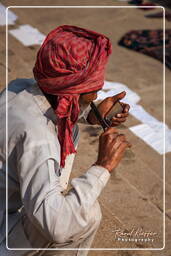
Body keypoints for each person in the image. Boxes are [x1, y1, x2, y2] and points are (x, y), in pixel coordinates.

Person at [0, 25, 130, 256]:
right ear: (73, 90)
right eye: (93, 88)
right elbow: (56, 227)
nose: (97, 94)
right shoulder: (40, 139)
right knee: (86, 215)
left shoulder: (17, 89)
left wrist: (88, 114)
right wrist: (102, 167)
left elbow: (55, 108)